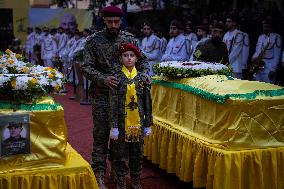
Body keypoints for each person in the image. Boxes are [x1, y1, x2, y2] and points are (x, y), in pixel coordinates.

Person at [81, 5, 149, 189]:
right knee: (102, 135)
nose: (113, 25)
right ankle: (99, 174)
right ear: (103, 20)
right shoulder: (93, 41)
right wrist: (102, 79)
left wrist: (144, 74)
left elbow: (143, 62)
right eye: (109, 21)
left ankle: (122, 175)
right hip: (102, 97)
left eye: (116, 22)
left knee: (123, 139)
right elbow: (85, 66)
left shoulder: (129, 39)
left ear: (121, 21)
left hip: (126, 100)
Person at [109, 43, 152, 189]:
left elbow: (147, 102)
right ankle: (121, 181)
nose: (129, 58)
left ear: (137, 59)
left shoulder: (142, 78)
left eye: (132, 56)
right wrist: (113, 126)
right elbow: (113, 103)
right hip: (121, 124)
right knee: (120, 154)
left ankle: (135, 180)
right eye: (125, 56)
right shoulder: (116, 78)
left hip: (137, 124)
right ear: (120, 58)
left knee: (137, 153)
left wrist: (148, 123)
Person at [251, 19, 282, 84]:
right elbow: (257, 50)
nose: (264, 28)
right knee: (257, 85)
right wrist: (254, 59)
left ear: (271, 27)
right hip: (259, 64)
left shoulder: (276, 37)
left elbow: (277, 55)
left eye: (266, 27)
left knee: (268, 86)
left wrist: (273, 69)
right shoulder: (261, 37)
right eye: (263, 27)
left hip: (269, 65)